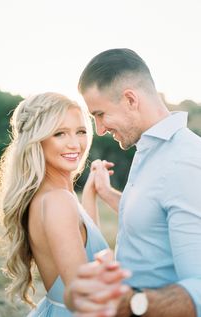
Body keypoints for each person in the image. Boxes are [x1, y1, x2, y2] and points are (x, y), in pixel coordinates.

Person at [65, 48, 201, 317]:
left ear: (130, 99)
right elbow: (154, 218)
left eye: (100, 114)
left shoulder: (185, 162)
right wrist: (107, 192)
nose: (100, 130)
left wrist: (131, 304)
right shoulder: (149, 149)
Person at [0, 92, 126, 317]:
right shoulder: (57, 201)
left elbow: (84, 247)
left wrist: (92, 193)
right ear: (38, 139)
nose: (75, 144)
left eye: (80, 131)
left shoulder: (53, 196)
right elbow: (85, 297)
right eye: (59, 133)